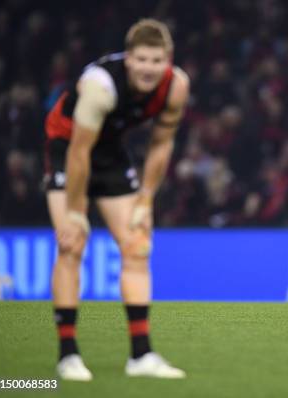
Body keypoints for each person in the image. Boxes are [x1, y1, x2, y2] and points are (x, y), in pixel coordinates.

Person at [44, 19, 189, 380]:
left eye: (157, 60)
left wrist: (146, 199)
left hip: (109, 151)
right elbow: (79, 152)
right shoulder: (100, 87)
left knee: (138, 243)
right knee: (72, 245)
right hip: (68, 147)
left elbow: (161, 143)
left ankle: (141, 356)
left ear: (167, 60)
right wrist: (76, 213)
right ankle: (68, 355)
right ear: (128, 58)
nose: (148, 68)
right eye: (141, 59)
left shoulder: (176, 86)